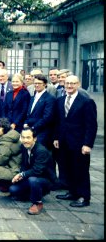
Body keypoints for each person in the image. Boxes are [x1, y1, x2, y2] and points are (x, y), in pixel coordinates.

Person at [54, 75, 97, 208]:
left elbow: (91, 125)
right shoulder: (60, 100)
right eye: (67, 83)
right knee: (67, 168)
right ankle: (72, 192)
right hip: (64, 142)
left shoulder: (86, 102)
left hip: (79, 143)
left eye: (72, 83)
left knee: (81, 170)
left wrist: (88, 144)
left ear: (78, 84)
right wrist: (56, 137)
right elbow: (58, 121)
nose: (69, 86)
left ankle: (84, 197)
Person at [9, 127, 56, 215]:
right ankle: (33, 193)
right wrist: (20, 176)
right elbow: (24, 164)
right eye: (23, 137)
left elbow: (37, 171)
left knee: (33, 180)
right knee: (13, 189)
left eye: (28, 137)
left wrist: (21, 174)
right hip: (31, 176)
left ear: (34, 138)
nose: (25, 140)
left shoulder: (41, 151)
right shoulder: (24, 147)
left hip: (45, 179)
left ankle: (37, 203)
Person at [0, 118, 22, 195]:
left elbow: (0, 160)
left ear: (5, 128)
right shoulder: (13, 135)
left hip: (14, 170)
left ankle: (6, 187)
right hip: (17, 166)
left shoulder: (4, 142)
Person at [23, 74, 56, 149]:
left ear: (45, 84)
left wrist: (33, 128)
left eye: (39, 83)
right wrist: (26, 123)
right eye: (35, 83)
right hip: (30, 132)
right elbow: (28, 114)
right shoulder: (32, 97)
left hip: (42, 133)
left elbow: (47, 118)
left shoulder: (50, 98)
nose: (37, 85)